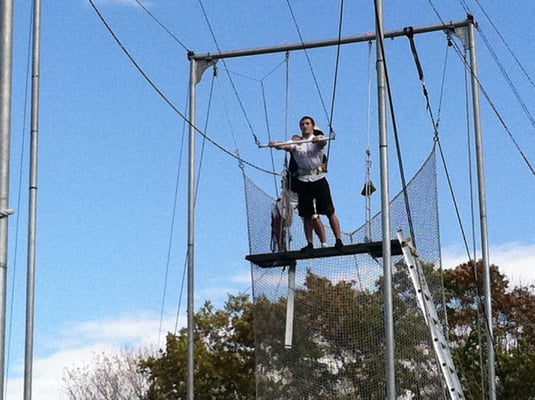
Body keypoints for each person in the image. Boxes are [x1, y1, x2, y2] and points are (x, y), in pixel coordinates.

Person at [270, 116, 343, 251]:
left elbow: (322, 142)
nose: (305, 126)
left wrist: (318, 139)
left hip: (318, 180)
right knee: (307, 214)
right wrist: (276, 145)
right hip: (303, 181)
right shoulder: (297, 143)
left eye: (307, 124)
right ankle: (310, 243)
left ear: (312, 126)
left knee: (329, 211)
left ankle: (338, 240)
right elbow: (286, 146)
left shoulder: (316, 140)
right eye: (302, 124)